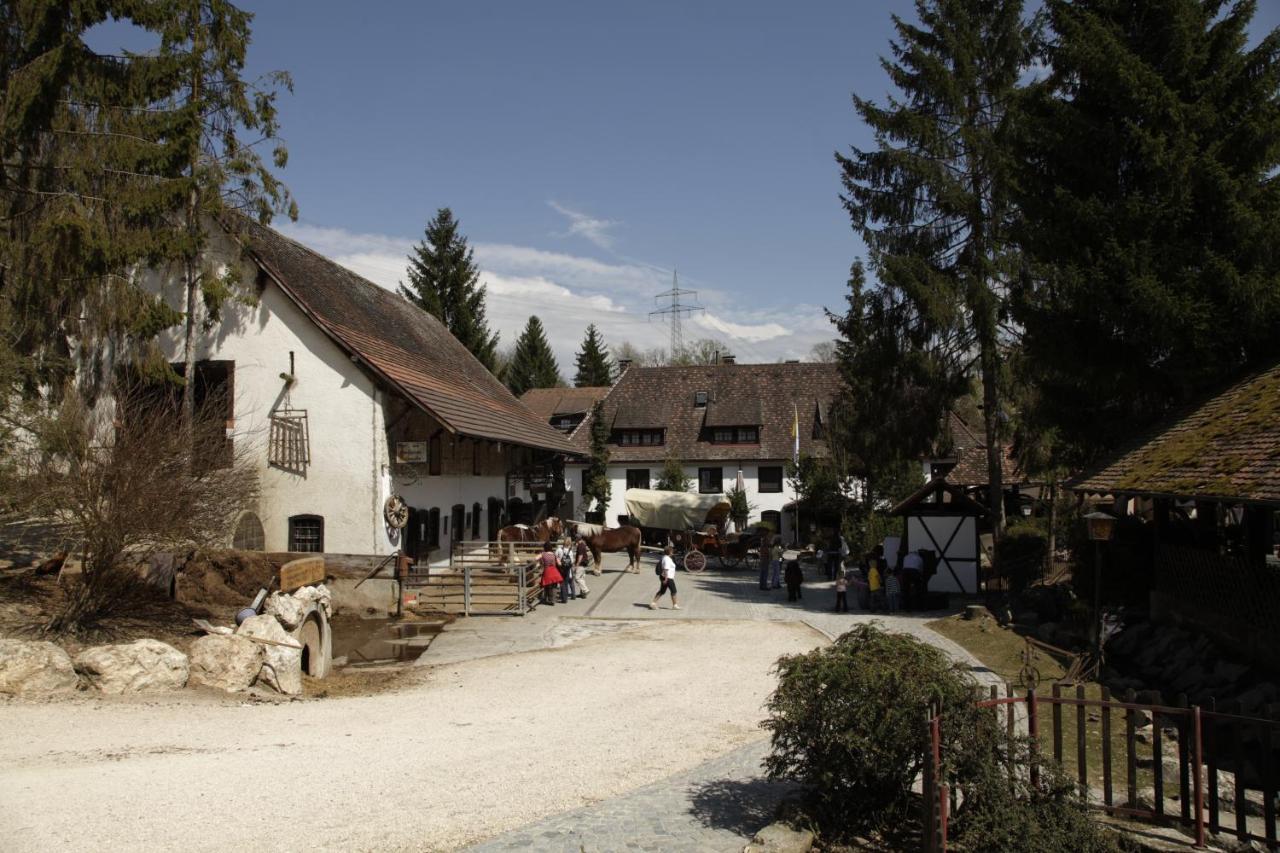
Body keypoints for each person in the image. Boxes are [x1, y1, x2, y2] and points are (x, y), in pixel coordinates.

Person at [649, 545, 680, 610]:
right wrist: (666, 579)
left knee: (662, 591)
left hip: (666, 577)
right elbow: (666, 569)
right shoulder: (667, 559)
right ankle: (675, 605)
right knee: (674, 591)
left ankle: (653, 603)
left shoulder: (665, 557)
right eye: (672, 551)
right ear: (670, 552)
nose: (673, 552)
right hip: (668, 578)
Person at [538, 540, 563, 605]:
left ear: (545, 547)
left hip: (547, 572)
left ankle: (549, 599)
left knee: (548, 586)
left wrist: (541, 560)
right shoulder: (554, 554)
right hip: (554, 571)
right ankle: (553, 600)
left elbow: (535, 558)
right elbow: (559, 563)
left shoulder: (543, 554)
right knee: (554, 586)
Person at [556, 538, 575, 602]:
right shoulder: (570, 551)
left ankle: (564, 598)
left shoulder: (559, 549)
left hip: (561, 569)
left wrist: (559, 563)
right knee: (566, 583)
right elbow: (572, 561)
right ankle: (565, 596)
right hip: (567, 569)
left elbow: (556, 557)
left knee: (562, 583)